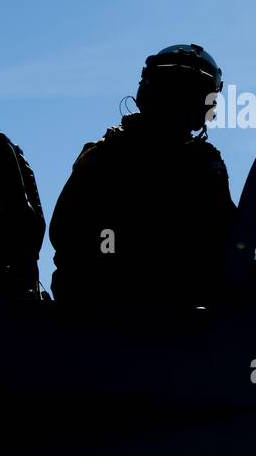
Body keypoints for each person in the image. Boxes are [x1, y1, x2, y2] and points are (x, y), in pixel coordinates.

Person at [48, 44, 237, 305]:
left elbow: (228, 242)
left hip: (167, 319)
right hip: (106, 318)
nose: (178, 103)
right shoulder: (107, 158)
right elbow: (70, 237)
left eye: (187, 94)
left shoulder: (205, 166)